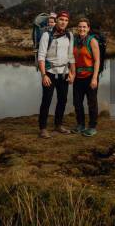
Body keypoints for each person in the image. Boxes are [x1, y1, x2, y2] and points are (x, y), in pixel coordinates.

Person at [37, 10, 75, 138]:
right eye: (61, 20)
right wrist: (43, 75)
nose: (63, 22)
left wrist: (71, 72)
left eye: (66, 20)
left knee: (62, 100)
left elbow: (71, 56)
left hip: (64, 73)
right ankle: (43, 128)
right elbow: (41, 56)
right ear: (56, 20)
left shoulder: (69, 35)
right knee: (46, 101)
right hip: (50, 73)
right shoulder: (47, 35)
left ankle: (58, 125)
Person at [72, 17, 100, 137]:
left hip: (90, 77)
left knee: (92, 103)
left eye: (84, 27)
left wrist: (94, 78)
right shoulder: (75, 41)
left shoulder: (92, 41)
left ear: (88, 28)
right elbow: (72, 59)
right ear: (77, 28)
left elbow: (97, 60)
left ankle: (92, 127)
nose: (82, 29)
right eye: (80, 26)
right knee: (77, 103)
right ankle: (81, 124)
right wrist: (71, 73)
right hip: (78, 77)